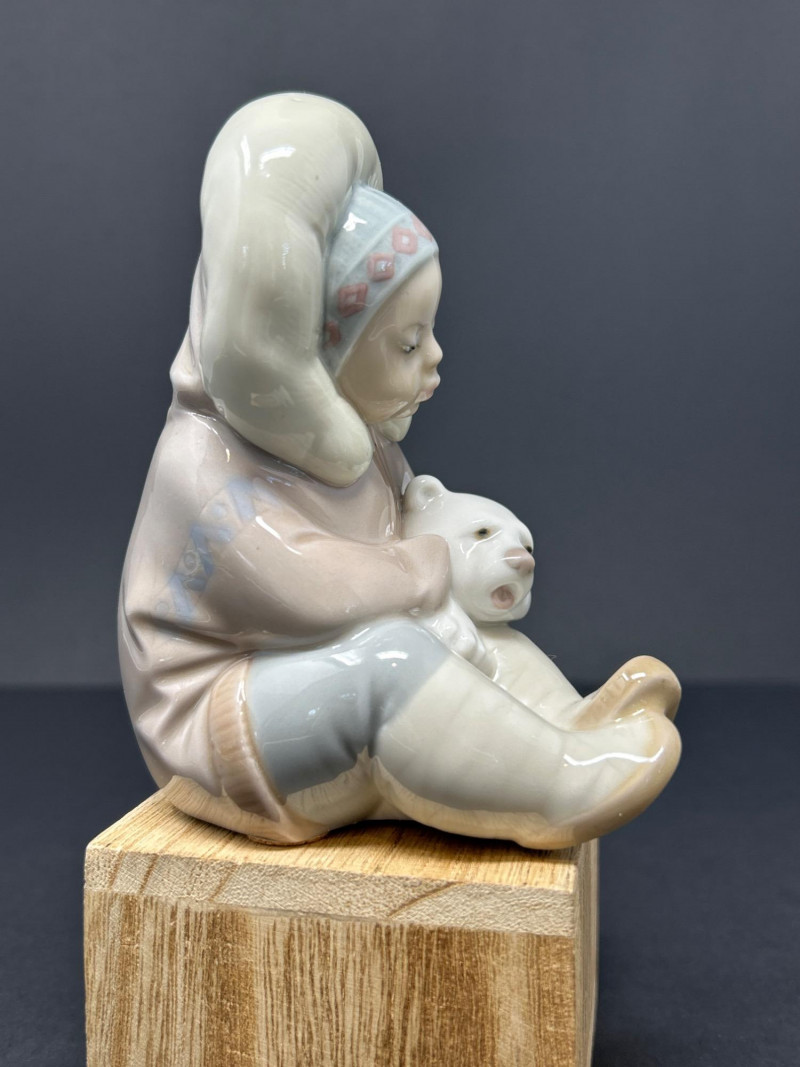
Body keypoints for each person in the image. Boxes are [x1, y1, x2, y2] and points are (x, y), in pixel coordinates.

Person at [119, 92, 681, 850]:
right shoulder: (204, 466)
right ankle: (557, 784)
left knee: (470, 631)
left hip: (318, 672)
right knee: (396, 664)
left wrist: (465, 569)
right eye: (408, 343)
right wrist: (432, 567)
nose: (436, 358)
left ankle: (562, 724)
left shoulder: (367, 446)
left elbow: (414, 524)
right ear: (320, 353)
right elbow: (314, 590)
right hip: (220, 723)